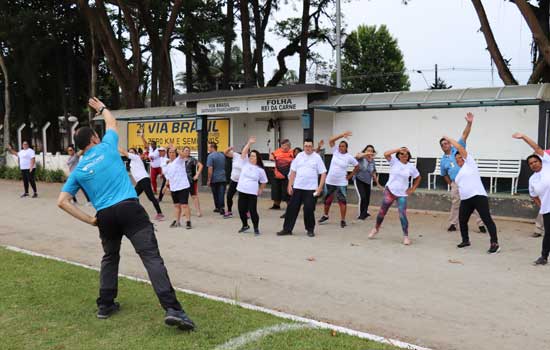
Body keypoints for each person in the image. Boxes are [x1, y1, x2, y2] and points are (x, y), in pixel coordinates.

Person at [57, 97, 194, 330]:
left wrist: (91, 220)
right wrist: (101, 108)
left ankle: (105, 305)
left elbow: (62, 201)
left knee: (110, 257)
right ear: (94, 138)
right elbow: (112, 123)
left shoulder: (79, 169)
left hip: (105, 217)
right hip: (129, 208)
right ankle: (173, 309)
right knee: (150, 257)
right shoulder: (107, 146)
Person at [443, 136, 499, 254]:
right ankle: (465, 240)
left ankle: (494, 243)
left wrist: (448, 139)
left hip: (478, 196)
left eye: (460, 158)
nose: (459, 160)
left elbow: (459, 147)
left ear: (464, 157)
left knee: (486, 219)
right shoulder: (458, 175)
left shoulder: (470, 163)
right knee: (462, 220)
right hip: (466, 200)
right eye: (457, 159)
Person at [440, 112, 486, 233]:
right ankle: (452, 224)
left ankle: (481, 224)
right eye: (442, 144)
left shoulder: (458, 148)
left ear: (450, 143)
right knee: (456, 204)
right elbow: (444, 174)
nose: (445, 145)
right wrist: (451, 184)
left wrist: (469, 123)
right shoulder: (443, 160)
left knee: (475, 203)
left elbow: (465, 134)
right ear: (441, 147)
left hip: (468, 182)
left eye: (446, 143)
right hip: (456, 183)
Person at [368, 147, 421, 245]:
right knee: (382, 212)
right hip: (390, 191)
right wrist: (398, 149)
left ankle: (406, 236)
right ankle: (376, 228)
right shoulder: (394, 162)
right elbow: (386, 153)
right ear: (398, 155)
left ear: (409, 156)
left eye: (406, 154)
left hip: (402, 194)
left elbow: (418, 177)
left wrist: (413, 188)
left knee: (402, 215)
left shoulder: (411, 167)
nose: (404, 155)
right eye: (401, 154)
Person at [277, 139, 327, 237]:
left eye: (309, 146)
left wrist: (320, 188)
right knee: (292, 208)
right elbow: (293, 171)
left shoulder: (317, 157)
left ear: (312, 147)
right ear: (303, 147)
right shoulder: (299, 156)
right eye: (306, 146)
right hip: (298, 187)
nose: (308, 148)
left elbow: (323, 173)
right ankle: (287, 229)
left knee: (308, 209)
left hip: (311, 189)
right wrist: (289, 185)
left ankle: (310, 229)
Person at [513, 132, 550, 264]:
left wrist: (523, 137)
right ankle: (543, 257)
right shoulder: (532, 180)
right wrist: (542, 205)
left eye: (535, 161)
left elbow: (536, 148)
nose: (533, 164)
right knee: (548, 235)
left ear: (541, 161)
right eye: (530, 163)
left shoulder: (547, 164)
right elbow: (533, 196)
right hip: (547, 210)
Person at [318, 132, 359, 228]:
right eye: (340, 146)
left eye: (343, 146)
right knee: (327, 200)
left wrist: (350, 176)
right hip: (330, 181)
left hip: (341, 183)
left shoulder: (349, 157)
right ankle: (325, 215)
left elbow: (357, 166)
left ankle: (343, 220)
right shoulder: (335, 151)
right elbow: (331, 140)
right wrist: (342, 135)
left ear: (346, 147)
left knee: (342, 201)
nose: (341, 148)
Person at [119, 147, 165, 221]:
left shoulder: (136, 157)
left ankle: (160, 214)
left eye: (132, 152)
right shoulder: (131, 163)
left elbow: (123, 152)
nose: (131, 153)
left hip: (144, 180)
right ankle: (138, 213)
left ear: (136, 153)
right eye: (130, 152)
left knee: (151, 197)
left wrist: (113, 146)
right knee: (133, 196)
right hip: (140, 181)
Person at [236, 136, 268, 235]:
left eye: (253, 156)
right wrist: (249, 143)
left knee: (253, 211)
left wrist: (260, 190)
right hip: (242, 191)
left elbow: (264, 181)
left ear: (257, 158)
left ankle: (256, 228)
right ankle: (245, 225)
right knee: (241, 210)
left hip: (252, 193)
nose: (251, 157)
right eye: (251, 155)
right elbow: (244, 152)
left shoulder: (260, 170)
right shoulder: (245, 163)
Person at [163, 147, 192, 229]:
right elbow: (169, 177)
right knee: (176, 206)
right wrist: (166, 186)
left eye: (173, 152)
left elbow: (184, 155)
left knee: (184, 205)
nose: (172, 153)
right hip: (173, 188)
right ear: (168, 153)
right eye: (170, 152)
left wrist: (176, 149)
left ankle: (188, 221)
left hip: (183, 186)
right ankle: (177, 221)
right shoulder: (168, 165)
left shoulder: (179, 160)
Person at [353, 145, 382, 220]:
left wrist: (377, 184)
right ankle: (361, 215)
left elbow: (373, 173)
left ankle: (365, 212)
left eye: (371, 151)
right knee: (362, 197)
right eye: (368, 150)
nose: (370, 152)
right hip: (359, 179)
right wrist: (366, 154)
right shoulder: (361, 158)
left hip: (368, 181)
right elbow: (356, 156)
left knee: (367, 198)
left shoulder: (372, 161)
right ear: (365, 151)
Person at [269, 139, 294, 210]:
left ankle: (290, 205)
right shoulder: (277, 151)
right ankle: (276, 205)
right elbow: (271, 156)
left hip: (287, 176)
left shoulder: (292, 152)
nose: (284, 147)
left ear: (289, 146)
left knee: (287, 191)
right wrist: (271, 157)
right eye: (283, 145)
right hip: (277, 174)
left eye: (286, 145)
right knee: (276, 190)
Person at [223, 144, 244, 219]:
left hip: (243, 181)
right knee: (229, 196)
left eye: (247, 150)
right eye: (243, 150)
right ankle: (229, 211)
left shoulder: (248, 158)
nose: (244, 151)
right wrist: (229, 148)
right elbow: (225, 153)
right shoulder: (236, 155)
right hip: (234, 180)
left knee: (244, 198)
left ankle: (246, 212)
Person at [182, 146, 203, 217]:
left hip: (191, 181)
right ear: (183, 151)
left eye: (188, 151)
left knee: (194, 196)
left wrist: (197, 175)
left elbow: (200, 165)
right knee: (183, 197)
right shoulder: (180, 159)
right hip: (182, 181)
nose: (187, 152)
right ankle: (185, 211)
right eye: (186, 150)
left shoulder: (192, 159)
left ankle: (198, 211)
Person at [206, 142, 227, 215]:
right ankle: (222, 207)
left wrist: (209, 179)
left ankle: (217, 207)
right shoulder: (222, 155)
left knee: (215, 193)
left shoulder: (210, 156)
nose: (208, 149)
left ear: (212, 148)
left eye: (208, 147)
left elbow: (210, 169)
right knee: (221, 193)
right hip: (222, 176)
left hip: (214, 178)